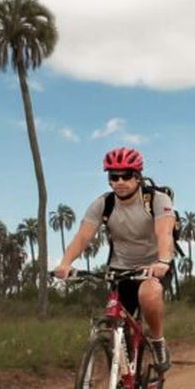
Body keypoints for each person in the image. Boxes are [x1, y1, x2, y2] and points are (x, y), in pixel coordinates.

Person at [54, 147, 176, 371]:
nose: (120, 181)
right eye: (113, 176)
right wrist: (65, 263)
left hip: (153, 267)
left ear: (138, 176)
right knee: (118, 322)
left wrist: (163, 262)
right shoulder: (104, 203)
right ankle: (119, 376)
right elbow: (83, 236)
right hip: (120, 268)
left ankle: (158, 342)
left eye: (126, 175)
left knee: (149, 294)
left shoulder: (157, 199)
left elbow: (164, 233)